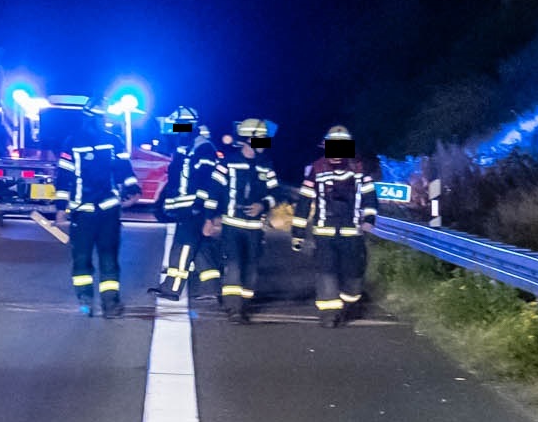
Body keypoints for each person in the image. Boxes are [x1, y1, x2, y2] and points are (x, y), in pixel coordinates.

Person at [59, 104, 141, 317]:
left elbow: (63, 178)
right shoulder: (112, 140)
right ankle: (110, 304)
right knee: (107, 259)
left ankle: (87, 301)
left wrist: (60, 209)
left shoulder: (72, 141)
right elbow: (125, 171)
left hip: (85, 212)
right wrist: (132, 190)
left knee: (83, 259)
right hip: (106, 211)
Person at [292, 124, 377, 326]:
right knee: (326, 271)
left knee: (354, 274)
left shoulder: (359, 169)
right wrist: (298, 233)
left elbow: (370, 197)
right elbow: (304, 201)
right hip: (324, 232)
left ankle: (349, 304)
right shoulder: (317, 168)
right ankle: (329, 314)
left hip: (352, 233)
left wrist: (369, 220)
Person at [152, 105, 225, 304]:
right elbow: (175, 180)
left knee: (183, 246)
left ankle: (172, 288)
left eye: (178, 126)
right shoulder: (184, 148)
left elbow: (206, 180)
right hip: (184, 208)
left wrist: (199, 205)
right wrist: (163, 204)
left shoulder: (204, 148)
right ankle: (214, 289)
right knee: (201, 249)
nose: (175, 130)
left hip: (194, 209)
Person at [212, 117, 281, 323]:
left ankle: (244, 302)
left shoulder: (266, 165)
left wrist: (263, 205)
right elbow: (214, 190)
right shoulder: (228, 162)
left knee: (251, 266)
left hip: (255, 228)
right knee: (233, 264)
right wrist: (209, 218)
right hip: (232, 225)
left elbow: (276, 192)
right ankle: (234, 307)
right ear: (248, 140)